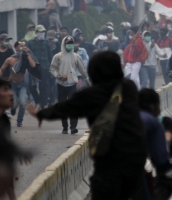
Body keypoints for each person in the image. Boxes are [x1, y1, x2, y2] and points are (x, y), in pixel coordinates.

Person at [27, 51, 148, 200]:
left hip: (109, 159)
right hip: (136, 156)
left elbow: (65, 108)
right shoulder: (129, 88)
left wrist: (40, 114)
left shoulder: (92, 95)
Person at [50, 36, 88, 134]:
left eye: (72, 43)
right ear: (64, 44)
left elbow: (82, 70)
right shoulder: (57, 56)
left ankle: (73, 127)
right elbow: (52, 69)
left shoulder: (76, 56)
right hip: (61, 85)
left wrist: (87, 80)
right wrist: (58, 76)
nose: (70, 45)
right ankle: (65, 127)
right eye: (68, 43)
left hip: (72, 85)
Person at [0, 41, 39, 128]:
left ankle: (19, 121)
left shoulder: (25, 58)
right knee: (14, 103)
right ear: (16, 48)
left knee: (23, 102)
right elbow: (2, 69)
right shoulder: (10, 59)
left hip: (22, 84)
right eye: (21, 46)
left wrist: (28, 53)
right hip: (12, 84)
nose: (22, 47)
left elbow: (33, 65)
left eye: (23, 46)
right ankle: (13, 108)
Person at [27, 25, 53, 108]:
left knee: (43, 86)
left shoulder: (46, 42)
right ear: (36, 32)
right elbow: (27, 55)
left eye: (43, 32)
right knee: (31, 86)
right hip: (34, 67)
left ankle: (42, 104)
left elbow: (50, 55)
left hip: (45, 67)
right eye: (40, 32)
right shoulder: (30, 43)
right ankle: (37, 100)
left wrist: (52, 67)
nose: (42, 33)